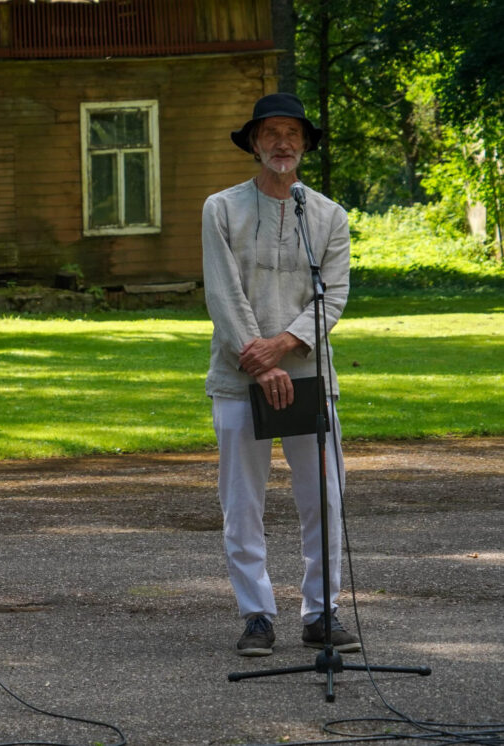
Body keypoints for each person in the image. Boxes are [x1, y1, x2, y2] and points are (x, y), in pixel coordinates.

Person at [202, 92, 361, 657]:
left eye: (292, 133)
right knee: (242, 503)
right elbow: (223, 292)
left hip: (309, 374)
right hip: (238, 375)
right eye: (270, 132)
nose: (282, 143)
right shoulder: (221, 208)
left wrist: (284, 345)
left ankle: (322, 612)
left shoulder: (328, 216)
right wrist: (259, 358)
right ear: (253, 142)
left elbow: (332, 295)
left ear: (306, 145)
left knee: (324, 498)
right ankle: (256, 616)